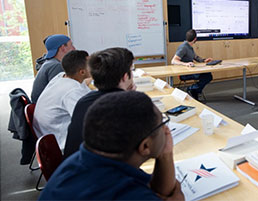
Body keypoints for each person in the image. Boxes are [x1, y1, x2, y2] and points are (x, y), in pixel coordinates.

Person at [38, 91, 184, 200]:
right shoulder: (129, 195)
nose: (166, 130)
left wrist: (165, 154)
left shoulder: (80, 160)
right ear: (145, 146)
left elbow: (156, 189)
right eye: (162, 124)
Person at [63, 47, 136, 158]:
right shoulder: (118, 108)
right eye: (131, 70)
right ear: (125, 77)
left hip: (75, 167)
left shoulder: (84, 100)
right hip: (98, 171)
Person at [33, 50, 91, 150]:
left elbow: (86, 93)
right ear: (82, 72)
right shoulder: (72, 91)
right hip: (60, 143)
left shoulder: (61, 76)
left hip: (47, 132)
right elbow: (87, 119)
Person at [31, 34, 76, 102]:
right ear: (63, 48)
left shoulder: (49, 63)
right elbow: (61, 93)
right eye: (71, 45)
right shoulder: (56, 66)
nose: (74, 48)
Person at [171, 29, 213, 100]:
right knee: (207, 76)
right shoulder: (183, 47)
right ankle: (192, 89)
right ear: (195, 39)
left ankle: (194, 90)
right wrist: (185, 64)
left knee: (208, 75)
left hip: (192, 70)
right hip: (184, 73)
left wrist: (204, 60)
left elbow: (195, 57)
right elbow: (173, 60)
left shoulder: (189, 46)